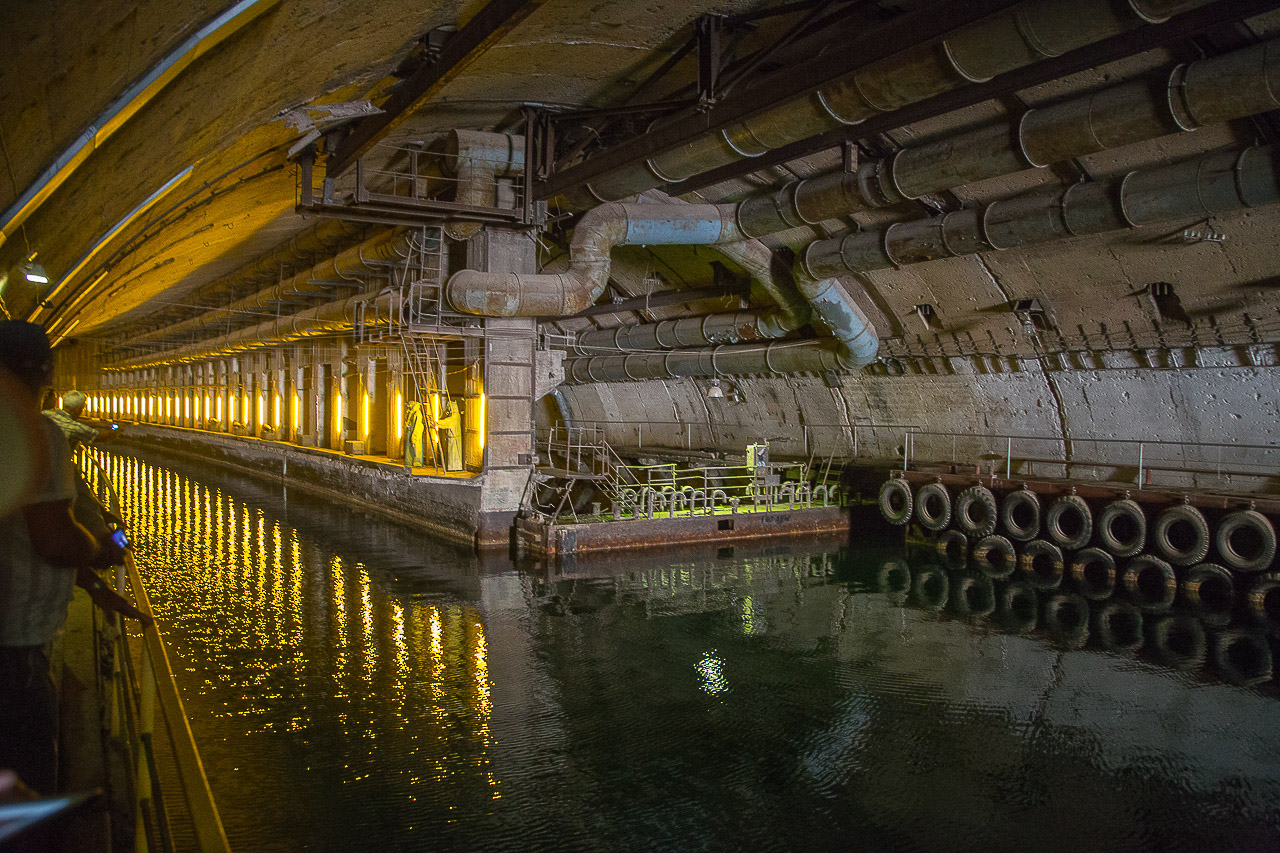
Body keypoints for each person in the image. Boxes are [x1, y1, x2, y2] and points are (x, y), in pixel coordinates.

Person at [0, 321, 149, 796]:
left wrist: (94, 587)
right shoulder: (33, 431)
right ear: (47, 375)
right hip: (13, 649)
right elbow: (53, 540)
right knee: (28, 771)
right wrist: (105, 549)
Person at [42, 389, 118, 451]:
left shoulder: (45, 414)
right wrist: (119, 429)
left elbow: (68, 421)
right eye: (82, 408)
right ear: (77, 409)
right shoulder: (75, 428)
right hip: (57, 466)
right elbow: (101, 436)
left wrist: (97, 424)